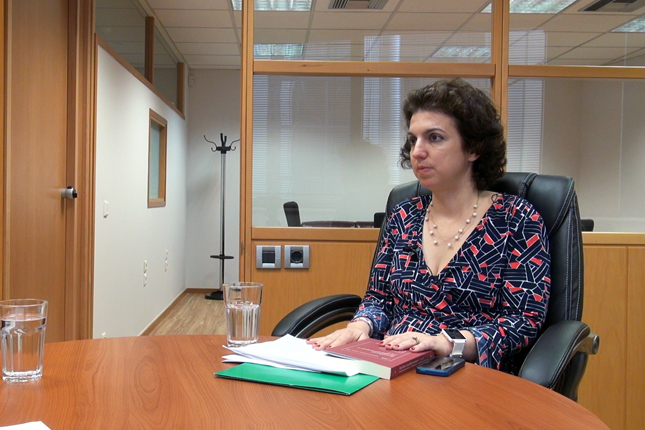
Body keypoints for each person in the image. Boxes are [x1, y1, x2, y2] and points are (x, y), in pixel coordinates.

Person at [308, 78, 551, 373]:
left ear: (473, 148)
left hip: (471, 373)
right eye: (413, 140)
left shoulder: (516, 219)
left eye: (434, 138)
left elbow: (522, 321)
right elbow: (379, 299)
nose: (417, 152)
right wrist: (361, 325)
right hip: (391, 364)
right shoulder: (403, 216)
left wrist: (446, 343)